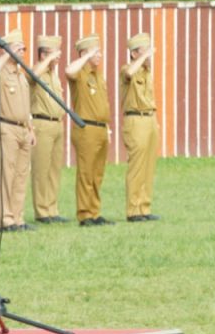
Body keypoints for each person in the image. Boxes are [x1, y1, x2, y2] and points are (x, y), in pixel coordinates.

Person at [66, 36, 114, 227]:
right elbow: (68, 70)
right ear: (85, 54)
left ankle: (94, 212)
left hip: (101, 129)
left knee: (97, 174)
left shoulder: (97, 74)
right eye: (96, 52)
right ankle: (85, 214)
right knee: (86, 173)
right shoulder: (80, 73)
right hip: (85, 128)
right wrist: (86, 58)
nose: (100, 55)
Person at [0, 29, 36, 233]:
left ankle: (18, 216)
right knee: (6, 174)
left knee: (21, 175)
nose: (22, 50)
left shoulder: (21, 74)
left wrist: (31, 129)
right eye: (17, 47)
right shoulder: (0, 71)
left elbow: (25, 105)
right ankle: (5, 218)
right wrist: (4, 55)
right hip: (6, 127)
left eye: (23, 47)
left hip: (23, 129)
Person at [121, 33, 160, 223]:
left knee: (148, 166)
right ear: (134, 54)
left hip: (150, 118)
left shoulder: (147, 72)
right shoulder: (127, 69)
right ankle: (133, 210)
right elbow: (129, 73)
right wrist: (144, 57)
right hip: (135, 120)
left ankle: (144, 207)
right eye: (144, 52)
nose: (149, 57)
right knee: (136, 166)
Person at [30, 36, 68, 225]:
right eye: (55, 53)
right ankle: (42, 210)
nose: (58, 58)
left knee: (54, 169)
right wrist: (46, 61)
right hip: (42, 124)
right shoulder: (37, 71)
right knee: (41, 169)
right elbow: (32, 75)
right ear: (44, 54)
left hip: (57, 124)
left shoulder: (54, 74)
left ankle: (52, 208)